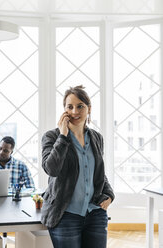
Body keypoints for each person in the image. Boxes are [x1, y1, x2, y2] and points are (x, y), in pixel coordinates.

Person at [41, 85, 115, 248]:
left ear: (89, 108)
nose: (75, 111)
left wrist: (109, 194)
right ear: (64, 110)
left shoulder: (96, 138)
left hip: (95, 214)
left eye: (80, 106)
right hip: (65, 215)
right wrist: (63, 136)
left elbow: (98, 172)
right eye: (70, 106)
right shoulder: (52, 136)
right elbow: (51, 169)